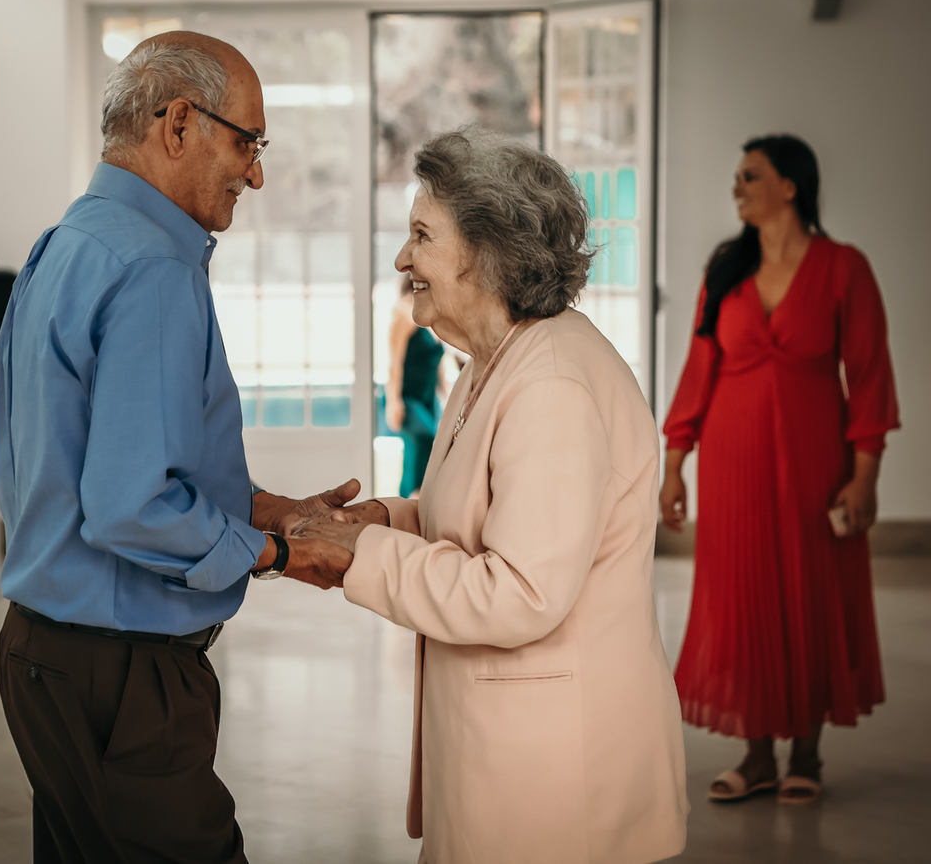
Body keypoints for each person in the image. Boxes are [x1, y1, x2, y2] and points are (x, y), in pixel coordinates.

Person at [0, 31, 359, 863]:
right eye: (248, 143)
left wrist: (273, 510)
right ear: (180, 123)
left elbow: (85, 462)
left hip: (43, 656)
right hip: (121, 678)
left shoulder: (68, 242)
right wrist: (272, 553)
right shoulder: (154, 268)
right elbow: (130, 506)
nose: (256, 173)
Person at [293, 127, 689, 864]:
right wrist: (379, 519)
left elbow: (521, 590)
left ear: (486, 252)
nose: (403, 259)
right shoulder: (492, 362)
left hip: (556, 779)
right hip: (514, 751)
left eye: (421, 235)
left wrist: (360, 554)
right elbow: (475, 517)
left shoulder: (551, 386)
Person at [659, 135, 900, 805]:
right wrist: (675, 464)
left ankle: (807, 754)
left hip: (816, 461)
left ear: (790, 186)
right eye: (736, 177)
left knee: (810, 593)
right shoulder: (726, 269)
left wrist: (866, 475)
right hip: (733, 466)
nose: (736, 188)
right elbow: (697, 372)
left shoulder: (844, 268)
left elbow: (871, 375)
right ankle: (757, 753)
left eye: (750, 176)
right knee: (743, 599)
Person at [385, 276, 444, 497]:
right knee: (423, 444)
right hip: (409, 398)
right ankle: (407, 507)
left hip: (429, 399)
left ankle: (415, 510)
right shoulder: (403, 312)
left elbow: (436, 363)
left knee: (422, 455)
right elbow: (395, 361)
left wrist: (447, 394)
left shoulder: (429, 314)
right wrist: (393, 401)